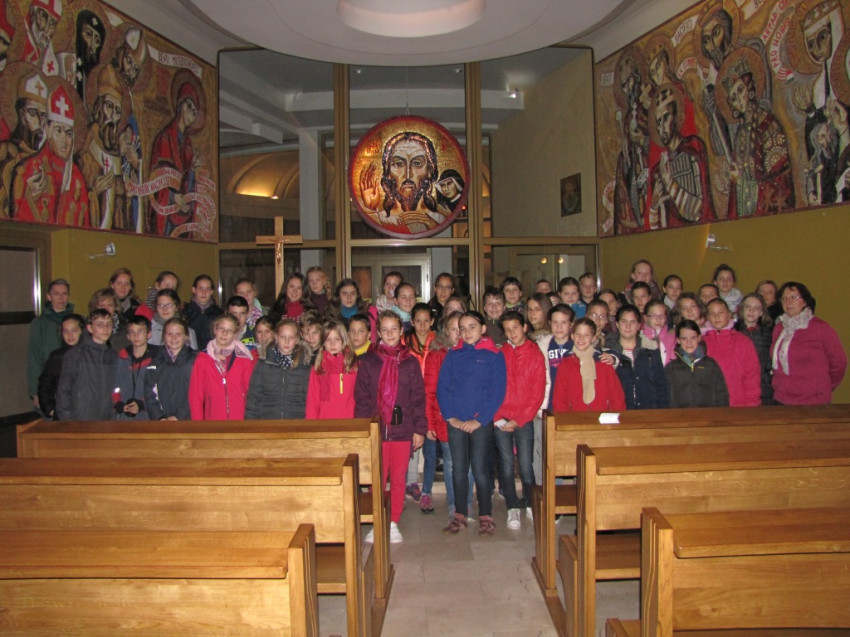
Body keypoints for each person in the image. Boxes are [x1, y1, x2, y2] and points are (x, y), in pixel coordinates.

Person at [355, 311, 427, 544]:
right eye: (384, 330)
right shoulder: (369, 361)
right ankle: (378, 521)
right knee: (377, 479)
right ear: (378, 333)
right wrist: (365, 429)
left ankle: (393, 521)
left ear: (401, 331)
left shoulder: (410, 362)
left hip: (402, 430)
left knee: (398, 478)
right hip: (377, 430)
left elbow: (418, 399)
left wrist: (419, 429)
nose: (389, 334)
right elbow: (362, 398)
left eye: (394, 329)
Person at [437, 311, 506, 535]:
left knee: (480, 468)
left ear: (483, 329)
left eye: (472, 327)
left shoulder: (494, 355)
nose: (466, 332)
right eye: (462, 328)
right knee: (458, 468)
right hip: (456, 422)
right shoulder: (453, 355)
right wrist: (451, 417)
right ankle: (459, 514)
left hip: (480, 422)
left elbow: (497, 391)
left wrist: (480, 419)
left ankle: (485, 514)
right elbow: (443, 388)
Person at [493, 311, 545, 529]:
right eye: (507, 330)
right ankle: (512, 506)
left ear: (524, 327)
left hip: (524, 418)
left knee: (525, 464)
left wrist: (521, 418)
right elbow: (492, 386)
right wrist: (497, 416)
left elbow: (537, 392)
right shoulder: (501, 354)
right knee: (505, 464)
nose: (512, 333)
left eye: (515, 327)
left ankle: (531, 504)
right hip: (501, 416)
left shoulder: (535, 354)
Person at [12, 84, 91, 226]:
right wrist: (30, 197)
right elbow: (14, 230)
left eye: (69, 133)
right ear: (47, 130)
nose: (64, 140)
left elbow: (86, 230)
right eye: (58, 131)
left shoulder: (77, 178)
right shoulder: (27, 170)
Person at [422, 311, 473, 519]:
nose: (459, 333)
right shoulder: (437, 356)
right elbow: (429, 392)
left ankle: (466, 503)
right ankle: (455, 504)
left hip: (469, 419)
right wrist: (429, 422)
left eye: (463, 329)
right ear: (446, 331)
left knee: (469, 464)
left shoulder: (474, 353)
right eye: (454, 329)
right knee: (451, 464)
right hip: (444, 419)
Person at [771, 281, 847, 405]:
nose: (788, 302)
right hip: (782, 399)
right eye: (784, 298)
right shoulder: (779, 328)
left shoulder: (821, 328)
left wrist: (824, 386)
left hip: (813, 401)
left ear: (805, 301)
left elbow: (839, 363)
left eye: (793, 297)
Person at [148, 80, 203, 237]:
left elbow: (186, 179)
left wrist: (192, 170)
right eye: (191, 109)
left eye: (195, 113)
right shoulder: (166, 137)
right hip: (166, 209)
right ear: (183, 105)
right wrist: (173, 197)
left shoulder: (187, 144)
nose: (192, 116)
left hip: (180, 210)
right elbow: (159, 178)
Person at [77, 65, 127, 229]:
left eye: (118, 111)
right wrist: (92, 191)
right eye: (109, 106)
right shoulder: (90, 138)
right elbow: (77, 187)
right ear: (100, 106)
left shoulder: (114, 145)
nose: (113, 116)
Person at [188, 313, 255, 420]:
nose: (224, 333)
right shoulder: (203, 359)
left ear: (235, 334)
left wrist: (250, 419)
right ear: (215, 329)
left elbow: (252, 393)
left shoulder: (244, 359)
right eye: (221, 329)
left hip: (239, 419)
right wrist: (198, 424)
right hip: (213, 420)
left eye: (229, 330)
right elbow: (196, 396)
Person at [55, 309, 117, 420]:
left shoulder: (113, 356)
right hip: (80, 419)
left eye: (109, 324)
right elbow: (64, 391)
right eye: (100, 325)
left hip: (107, 419)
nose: (105, 328)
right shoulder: (75, 355)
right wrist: (67, 420)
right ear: (90, 328)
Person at [552, 318, 626, 411]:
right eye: (578, 334)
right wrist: (564, 418)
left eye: (586, 335)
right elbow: (559, 398)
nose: (581, 338)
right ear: (572, 336)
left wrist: (616, 416)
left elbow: (616, 395)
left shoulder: (604, 362)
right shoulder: (565, 365)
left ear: (593, 338)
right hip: (574, 417)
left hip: (602, 416)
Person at [402, 302, 435, 502]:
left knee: (427, 436)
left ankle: (426, 484)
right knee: (412, 435)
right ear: (412, 322)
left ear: (432, 321)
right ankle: (411, 481)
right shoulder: (404, 342)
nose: (422, 325)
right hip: (410, 394)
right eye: (418, 321)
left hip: (431, 394)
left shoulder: (437, 342)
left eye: (426, 321)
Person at [245, 319, 311, 420]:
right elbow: (254, 397)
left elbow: (308, 399)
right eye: (282, 337)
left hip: (296, 421)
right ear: (276, 337)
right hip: (267, 421)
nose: (286, 341)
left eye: (291, 337)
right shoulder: (264, 364)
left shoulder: (304, 366)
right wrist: (250, 422)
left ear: (297, 339)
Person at [605, 305, 668, 409]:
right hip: (619, 408)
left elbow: (660, 384)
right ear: (617, 324)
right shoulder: (607, 351)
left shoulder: (651, 349)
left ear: (639, 325)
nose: (628, 326)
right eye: (624, 321)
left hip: (648, 408)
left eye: (632, 322)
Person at [702, 298, 761, 407]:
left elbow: (752, 375)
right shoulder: (701, 343)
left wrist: (751, 404)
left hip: (738, 404)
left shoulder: (743, 341)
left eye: (721, 312)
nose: (716, 317)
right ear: (707, 317)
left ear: (729, 314)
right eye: (712, 313)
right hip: (709, 405)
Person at [27, 278, 74, 410]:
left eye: (64, 294)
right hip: (49, 381)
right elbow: (34, 357)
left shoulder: (75, 321)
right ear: (49, 296)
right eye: (56, 294)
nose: (61, 298)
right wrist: (35, 392)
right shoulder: (40, 324)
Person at [665, 319, 729, 407]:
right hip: (679, 414)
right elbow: (665, 397)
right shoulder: (671, 368)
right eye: (684, 339)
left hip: (707, 414)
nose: (689, 342)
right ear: (678, 340)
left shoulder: (710, 365)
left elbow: (722, 395)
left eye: (693, 338)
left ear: (699, 338)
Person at [144, 317, 197, 420]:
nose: (173, 338)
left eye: (178, 334)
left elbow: (196, 393)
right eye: (169, 334)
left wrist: (179, 416)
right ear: (164, 336)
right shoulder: (155, 363)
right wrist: (159, 417)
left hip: (188, 420)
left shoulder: (196, 361)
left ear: (186, 336)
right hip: (163, 421)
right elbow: (150, 394)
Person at [305, 320, 358, 418]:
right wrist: (311, 424)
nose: (332, 344)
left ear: (344, 340)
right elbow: (313, 401)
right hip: (325, 421)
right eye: (328, 339)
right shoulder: (318, 368)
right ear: (323, 342)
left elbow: (360, 398)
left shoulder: (353, 366)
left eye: (337, 339)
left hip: (350, 420)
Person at [37, 313, 85, 420]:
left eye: (74, 331)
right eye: (66, 331)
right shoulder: (57, 356)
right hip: (63, 412)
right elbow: (45, 384)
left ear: (83, 331)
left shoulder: (90, 354)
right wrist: (50, 409)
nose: (70, 335)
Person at [112, 315, 159, 420]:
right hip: (124, 416)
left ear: (149, 334)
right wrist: (118, 403)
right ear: (128, 336)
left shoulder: (158, 358)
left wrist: (142, 404)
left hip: (149, 416)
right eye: (132, 332)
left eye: (140, 331)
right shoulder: (121, 358)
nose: (136, 335)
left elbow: (161, 389)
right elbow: (115, 386)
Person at [735, 292, 774, 405]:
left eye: (756, 308)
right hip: (738, 386)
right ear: (741, 309)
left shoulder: (769, 335)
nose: (751, 311)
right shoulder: (732, 333)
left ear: (761, 312)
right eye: (748, 307)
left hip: (763, 387)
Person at [184, 274, 223, 350]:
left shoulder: (220, 314)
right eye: (200, 288)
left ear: (212, 291)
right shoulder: (185, 312)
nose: (204, 292)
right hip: (191, 354)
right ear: (194, 289)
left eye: (207, 289)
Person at [641, 299, 675, 364]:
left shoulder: (672, 336)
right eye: (654, 316)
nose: (658, 319)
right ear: (645, 318)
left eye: (662, 316)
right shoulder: (640, 338)